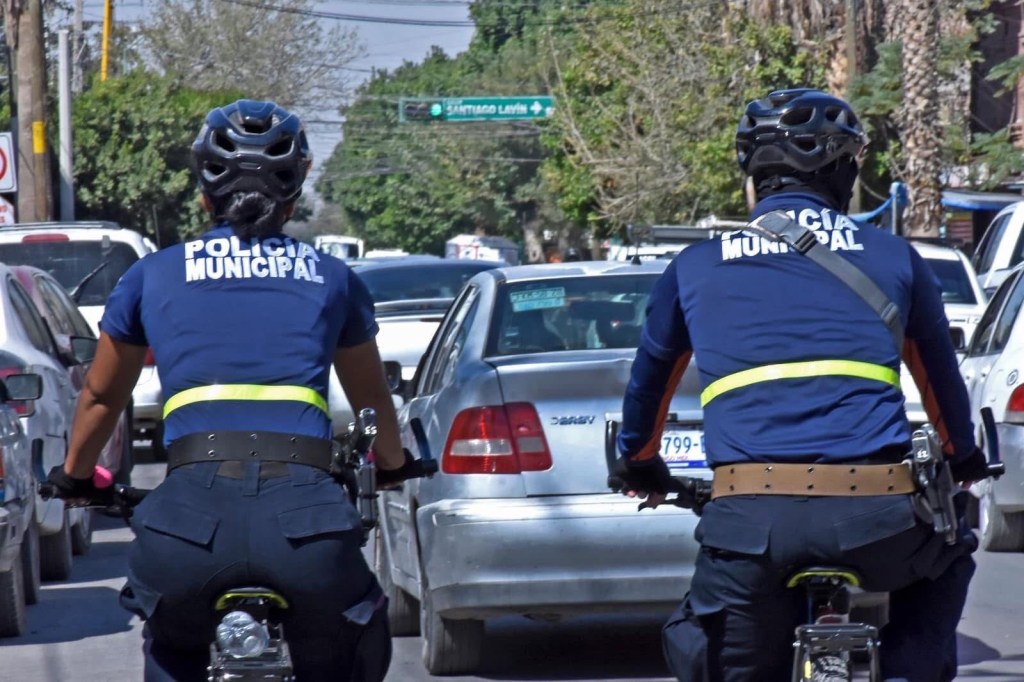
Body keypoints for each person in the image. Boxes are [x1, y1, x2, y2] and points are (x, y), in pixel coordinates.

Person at [611, 88, 990, 682]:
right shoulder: (896, 258)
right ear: (844, 170)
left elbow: (647, 391)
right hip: (880, 524)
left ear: (753, 174)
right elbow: (942, 390)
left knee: (715, 649)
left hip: (751, 526)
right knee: (947, 558)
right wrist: (963, 458)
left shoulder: (695, 266)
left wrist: (638, 463)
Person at [45, 99, 416, 682]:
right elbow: (372, 404)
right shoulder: (332, 278)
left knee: (171, 649)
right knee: (353, 633)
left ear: (203, 194)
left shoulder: (152, 275)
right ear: (293, 199)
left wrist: (73, 474)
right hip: (307, 529)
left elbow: (99, 398)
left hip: (187, 531)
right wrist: (392, 465)